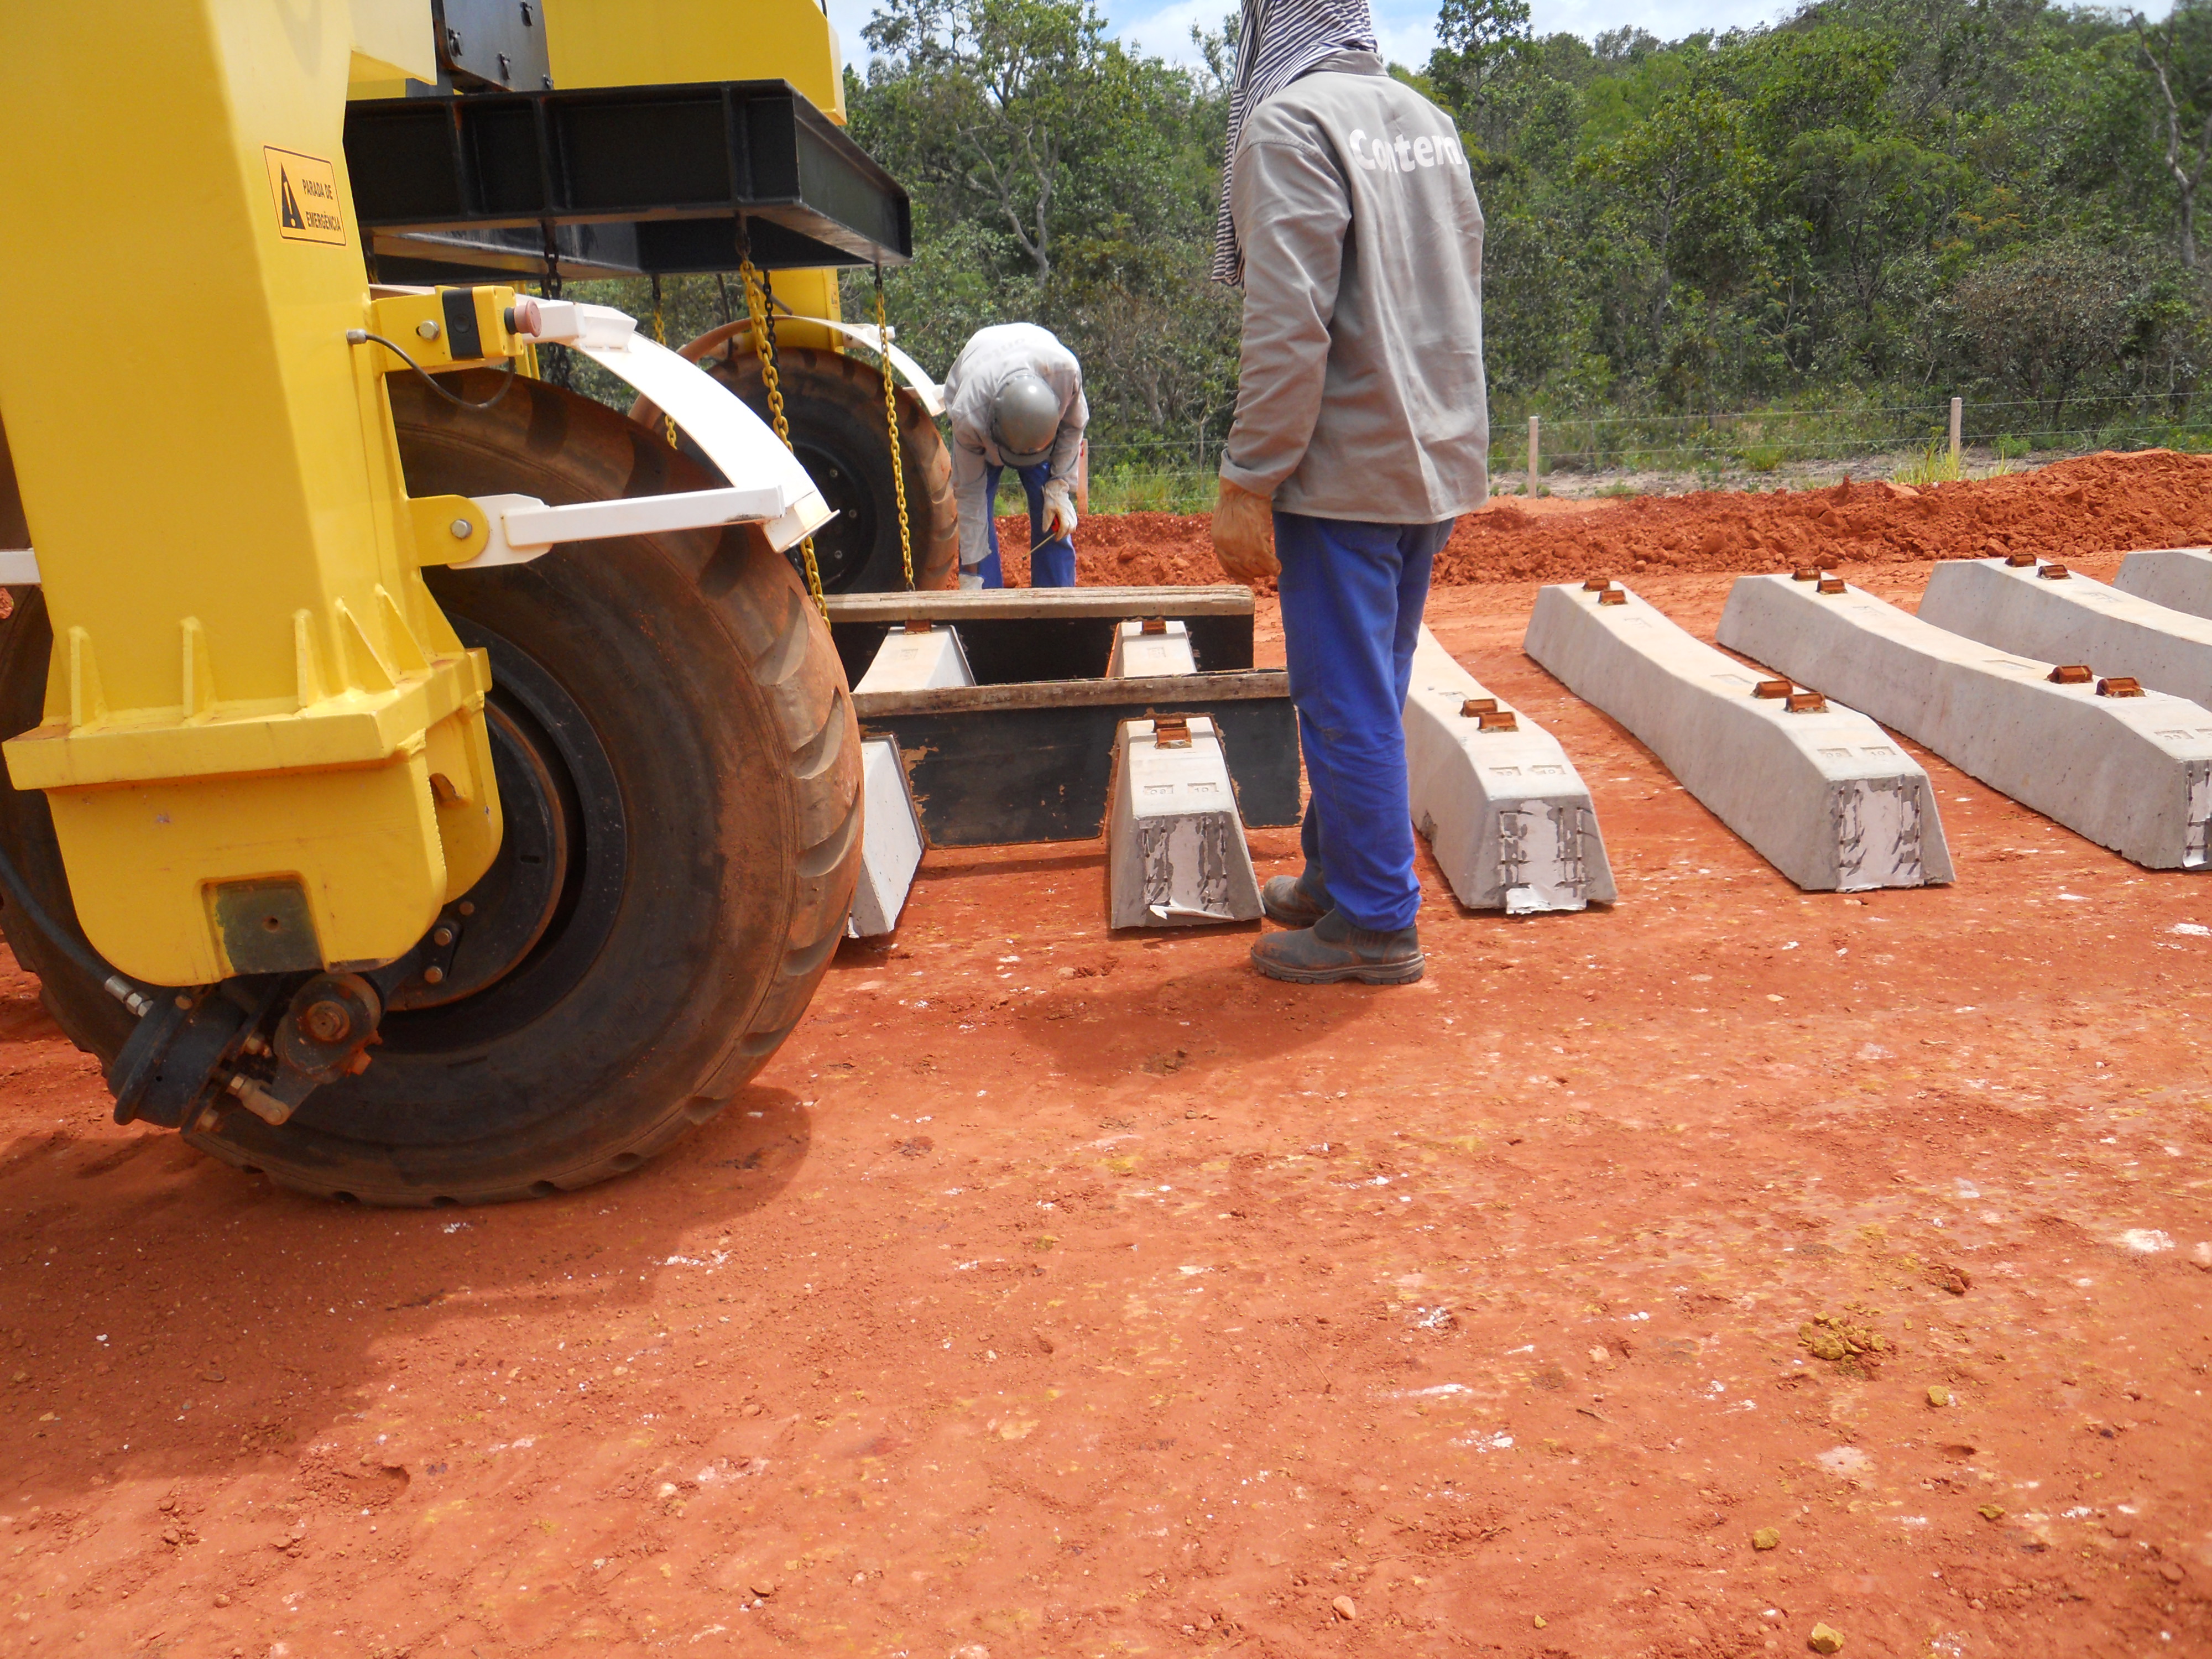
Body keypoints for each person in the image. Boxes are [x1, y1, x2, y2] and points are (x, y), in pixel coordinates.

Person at [1209, 0, 1489, 986]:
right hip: (1429, 464)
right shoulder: (1426, 123)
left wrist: (1250, 477)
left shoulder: (1291, 125)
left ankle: (1376, 923)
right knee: (1370, 688)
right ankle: (1339, 876)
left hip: (1342, 474)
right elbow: (1452, 297)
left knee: (1343, 700)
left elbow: (1289, 328)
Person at [942, 322, 1088, 588]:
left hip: (1037, 414)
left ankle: (1058, 602)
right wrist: (973, 578)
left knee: (1050, 507)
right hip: (981, 404)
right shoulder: (969, 416)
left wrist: (1060, 487)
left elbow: (1074, 426)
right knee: (979, 517)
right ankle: (986, 607)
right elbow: (970, 497)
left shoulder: (1065, 374)